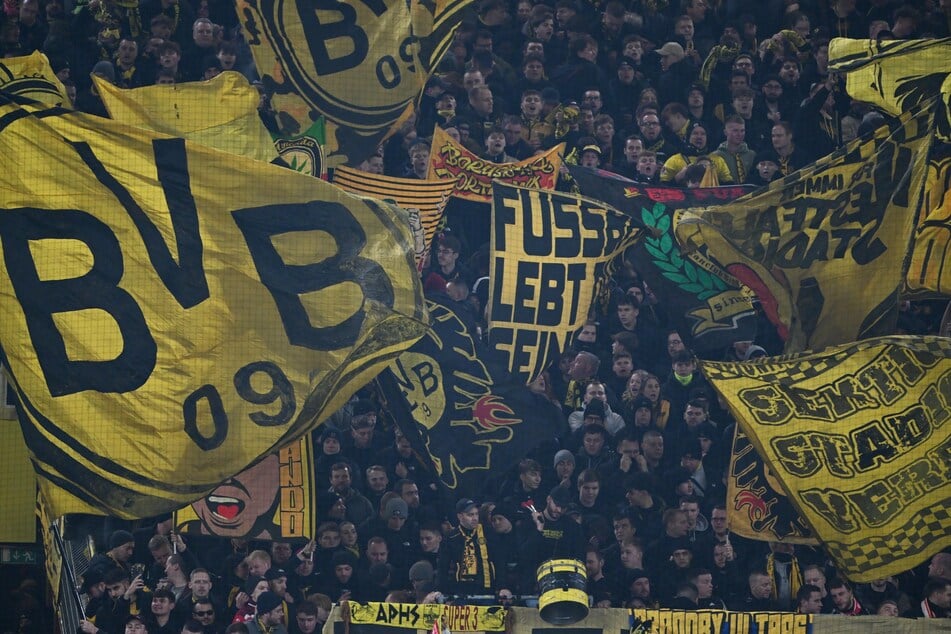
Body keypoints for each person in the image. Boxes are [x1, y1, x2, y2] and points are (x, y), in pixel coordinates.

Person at [439, 498, 497, 596]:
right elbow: (442, 567)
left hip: (486, 589)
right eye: (470, 515)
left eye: (476, 514)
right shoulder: (450, 537)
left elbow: (498, 561)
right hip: (459, 590)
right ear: (460, 516)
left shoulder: (488, 533)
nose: (475, 518)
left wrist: (503, 586)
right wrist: (440, 590)